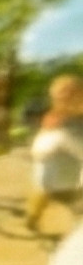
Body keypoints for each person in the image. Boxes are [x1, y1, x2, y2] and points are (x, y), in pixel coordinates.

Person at [25, 74, 83, 234]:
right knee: (43, 191)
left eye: (72, 93)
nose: (67, 98)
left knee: (73, 194)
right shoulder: (51, 115)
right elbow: (41, 139)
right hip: (53, 160)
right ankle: (32, 217)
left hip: (73, 162)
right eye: (62, 94)